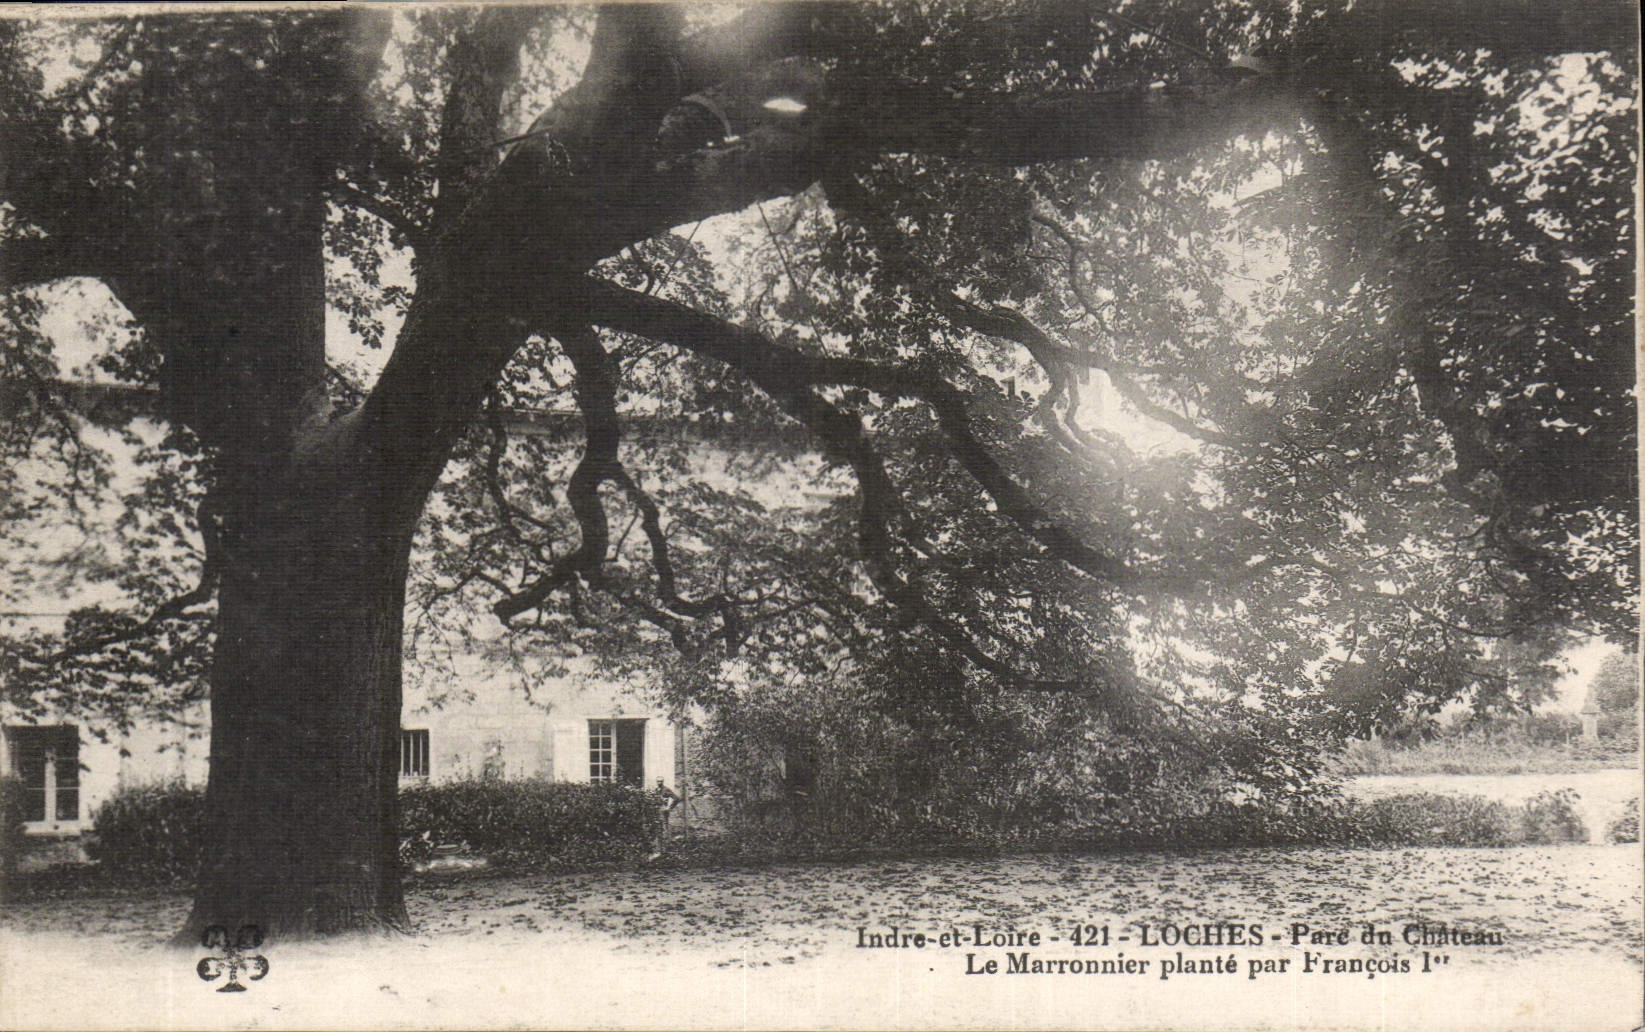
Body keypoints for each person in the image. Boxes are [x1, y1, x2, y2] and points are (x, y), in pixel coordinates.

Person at [648, 777, 682, 861]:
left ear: (663, 781)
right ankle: (657, 849)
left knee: (664, 828)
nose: (659, 782)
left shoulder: (666, 789)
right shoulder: (656, 790)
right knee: (657, 829)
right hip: (656, 810)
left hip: (663, 811)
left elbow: (676, 798)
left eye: (660, 781)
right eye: (658, 781)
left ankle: (665, 849)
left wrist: (669, 807)